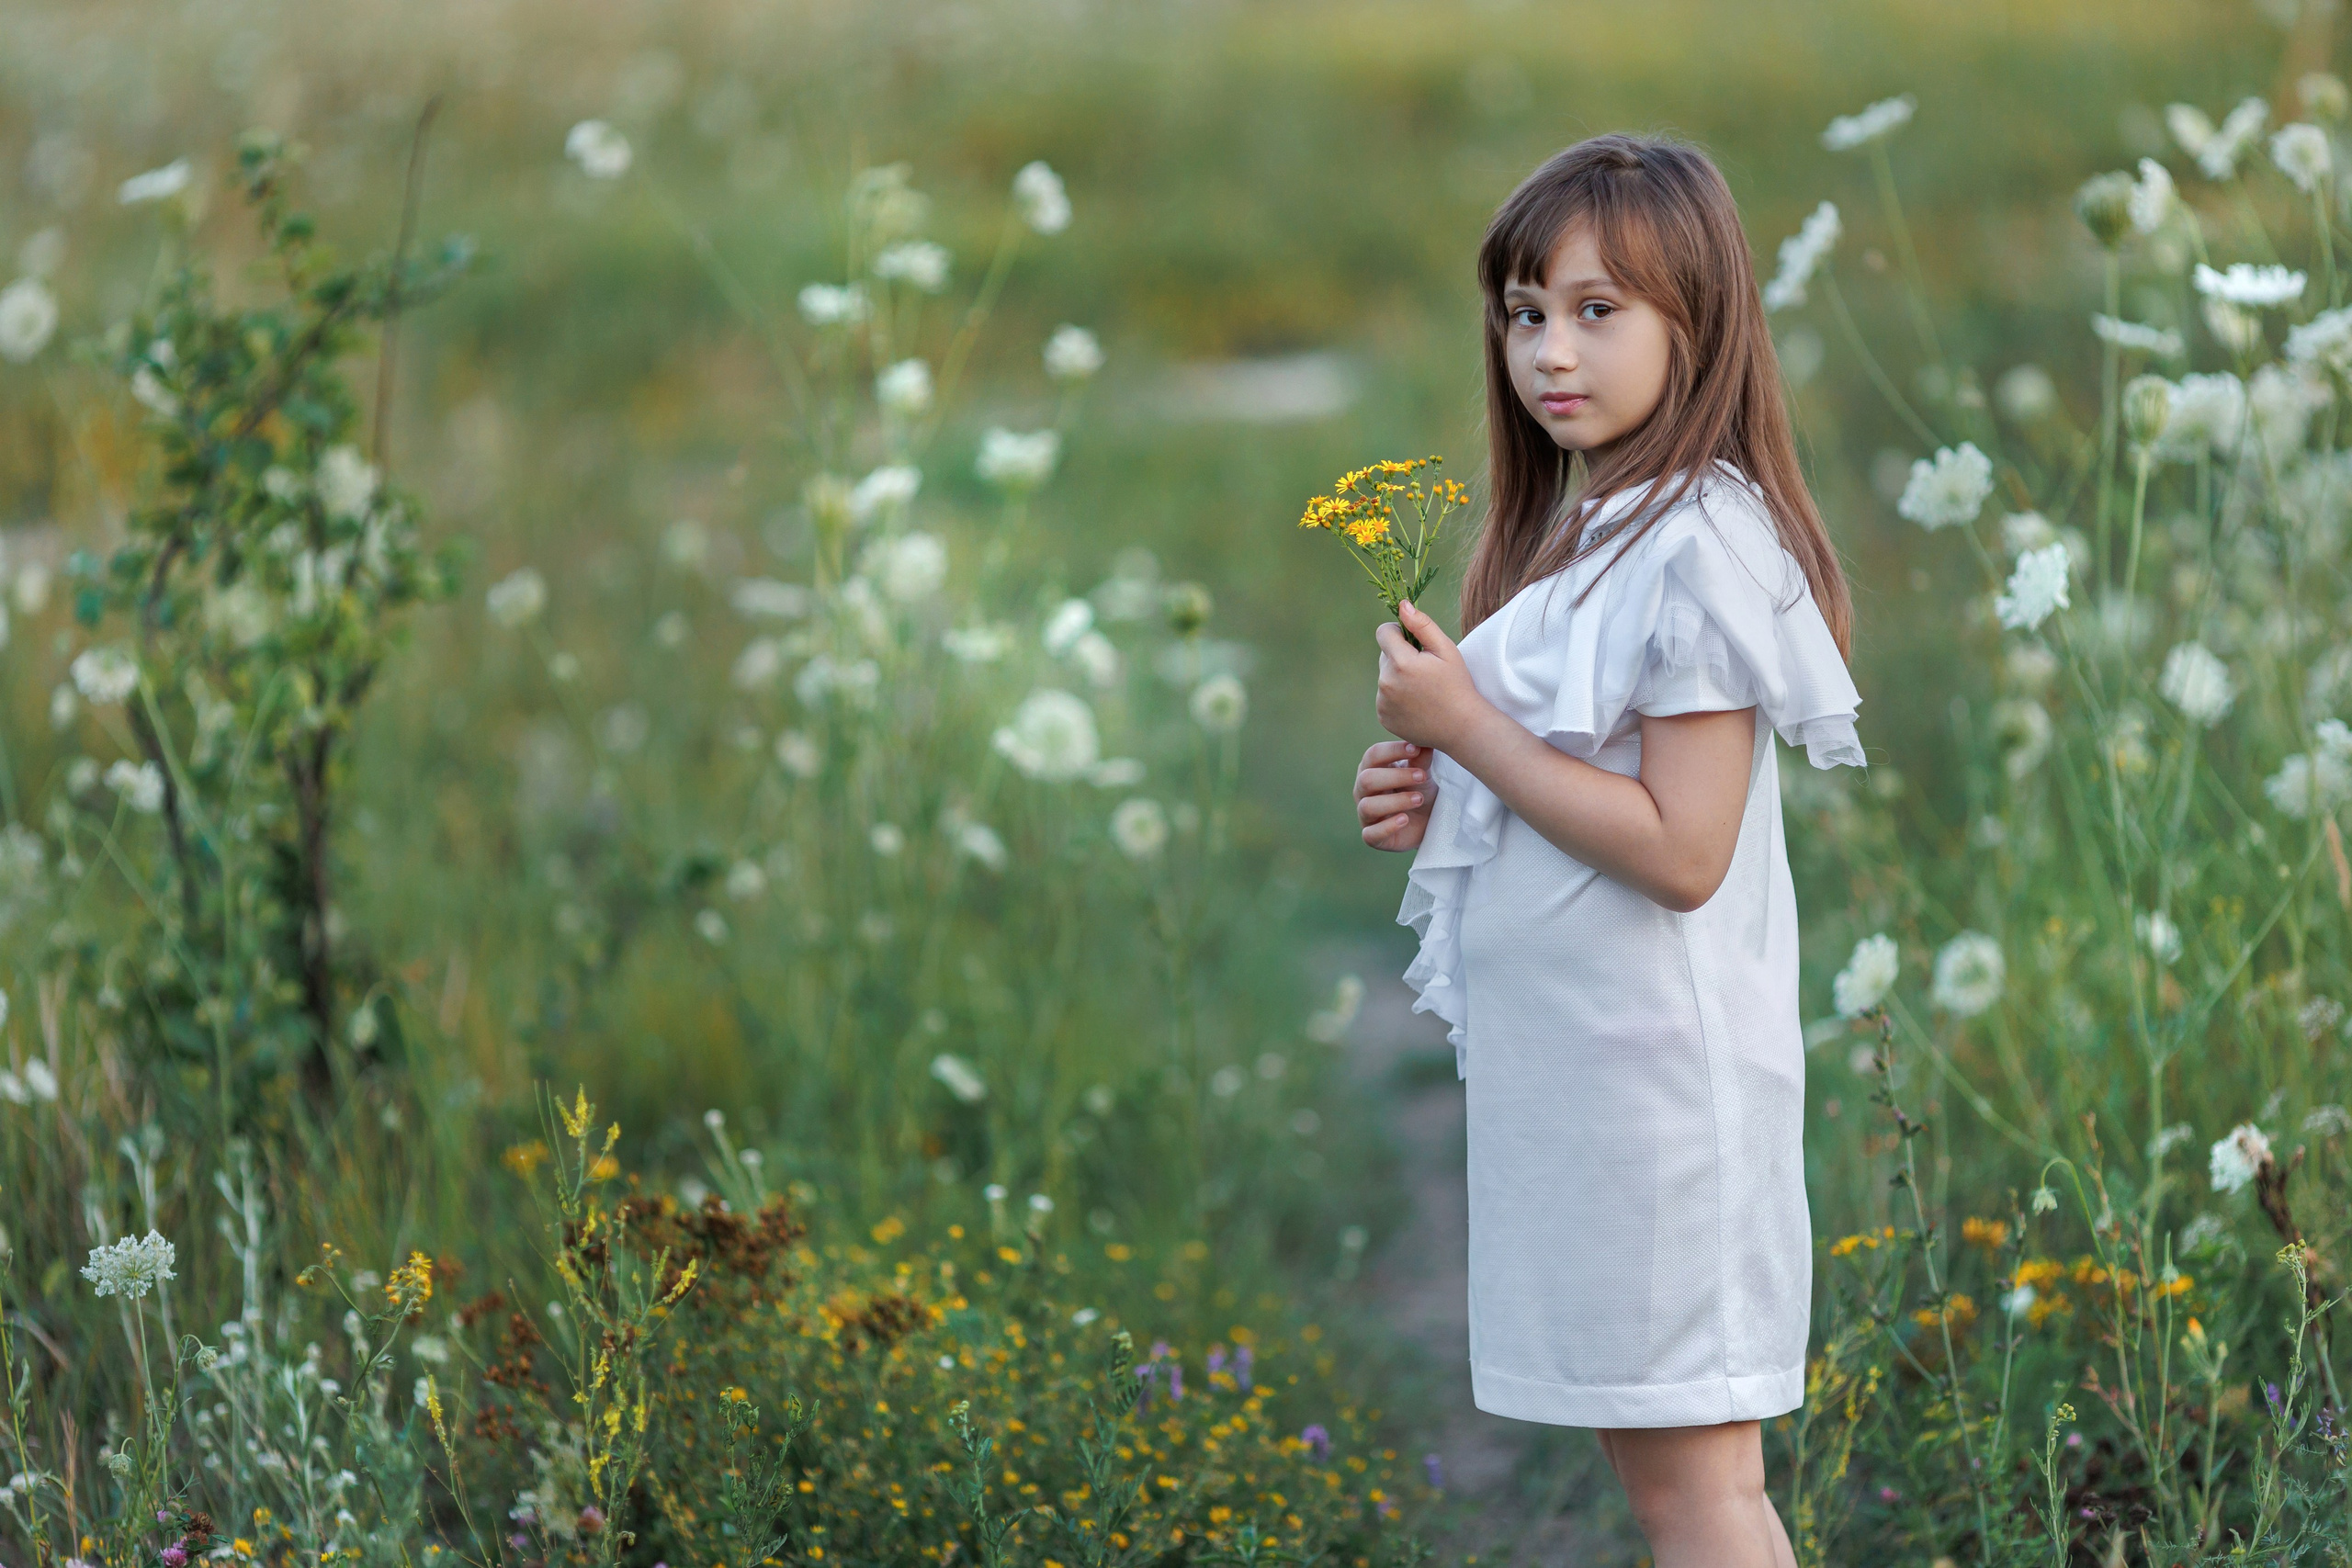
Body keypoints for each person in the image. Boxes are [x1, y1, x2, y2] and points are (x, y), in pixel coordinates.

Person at [1351, 133, 1866, 1568]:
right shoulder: (1593, 538)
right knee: (1668, 1489)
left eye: (1597, 311)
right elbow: (1564, 779)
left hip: (1658, 1092)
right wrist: (1433, 776)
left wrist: (1471, 725)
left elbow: (1682, 848)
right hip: (1583, 1072)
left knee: (1702, 1494)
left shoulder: (1704, 545)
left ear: (1696, 327)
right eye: (1524, 313)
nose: (1547, 352)